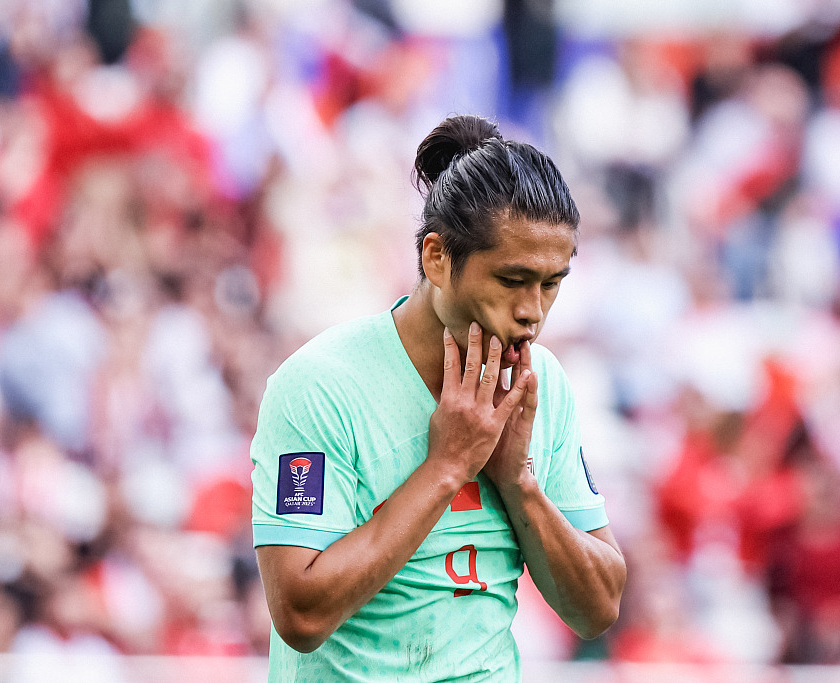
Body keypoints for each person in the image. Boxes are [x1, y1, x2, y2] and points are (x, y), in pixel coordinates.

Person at [250, 114, 627, 681]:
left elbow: (599, 607)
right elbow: (301, 613)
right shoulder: (320, 387)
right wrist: (448, 465)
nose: (532, 310)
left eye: (551, 284)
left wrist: (519, 484)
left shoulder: (541, 383)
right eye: (512, 279)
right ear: (437, 257)